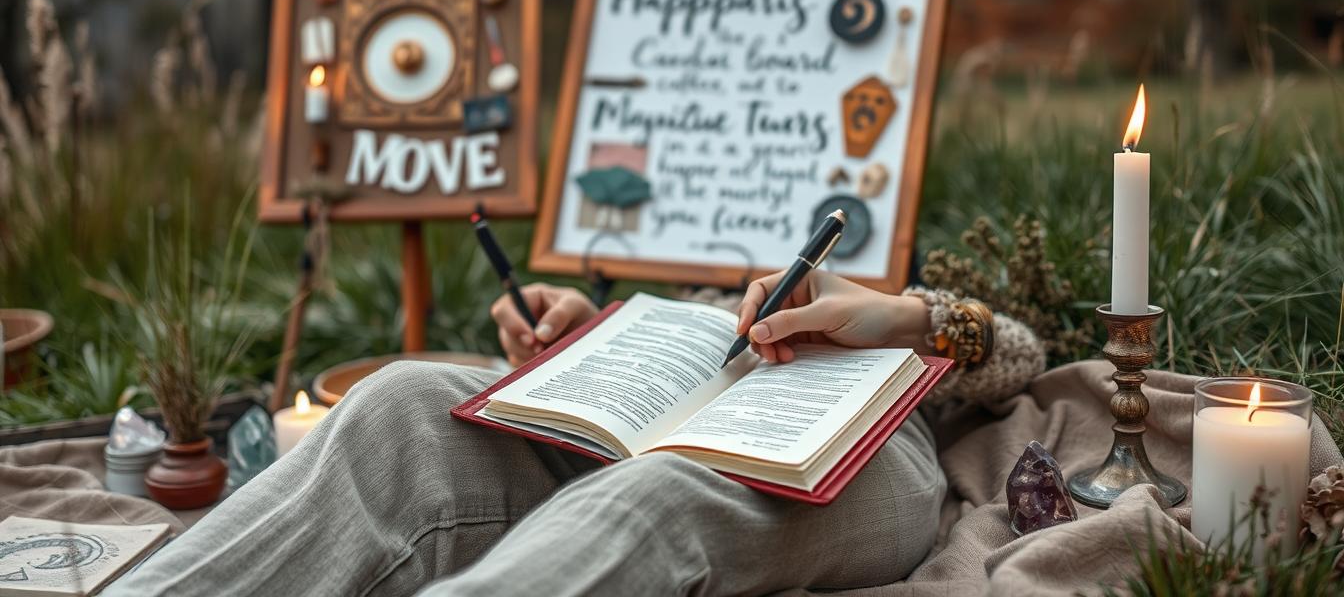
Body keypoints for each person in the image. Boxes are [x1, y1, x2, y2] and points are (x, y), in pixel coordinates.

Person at [110, 271, 1044, 596]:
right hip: (682, 388)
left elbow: (1025, 353)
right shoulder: (692, 269)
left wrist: (907, 314)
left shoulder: (911, 275)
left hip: (858, 439)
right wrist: (585, 331)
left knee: (658, 496)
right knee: (400, 401)